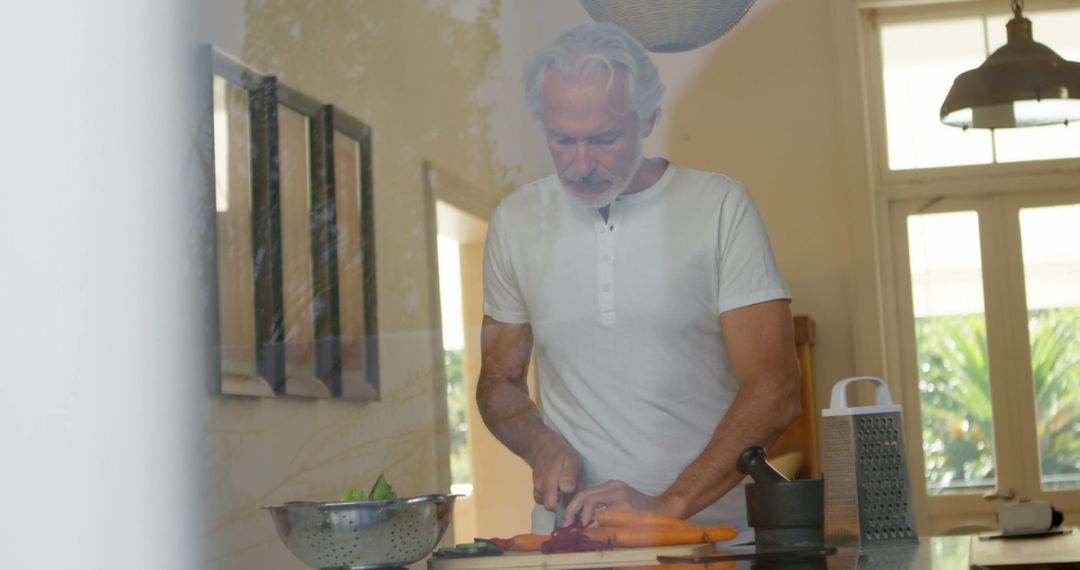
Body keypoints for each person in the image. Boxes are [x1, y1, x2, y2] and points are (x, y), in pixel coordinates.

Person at [476, 22, 801, 537]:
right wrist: (539, 441)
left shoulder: (719, 208)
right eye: (562, 140)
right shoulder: (517, 221)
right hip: (578, 536)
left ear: (648, 119)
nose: (581, 165)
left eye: (604, 139)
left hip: (709, 537)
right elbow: (498, 383)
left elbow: (775, 388)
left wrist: (667, 506)